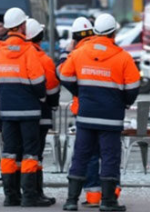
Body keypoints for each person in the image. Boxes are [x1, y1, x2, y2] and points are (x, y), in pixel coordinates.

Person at [60, 14, 140, 212]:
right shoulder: (123, 57)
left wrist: (80, 91)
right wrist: (123, 101)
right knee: (110, 157)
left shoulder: (80, 53)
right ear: (114, 32)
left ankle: (71, 201)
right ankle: (108, 201)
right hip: (111, 118)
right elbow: (132, 88)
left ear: (95, 31)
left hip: (86, 115)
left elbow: (63, 74)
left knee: (81, 156)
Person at [0, 7, 52, 207]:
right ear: (21, 26)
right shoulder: (29, 51)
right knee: (30, 153)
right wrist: (41, 98)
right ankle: (29, 196)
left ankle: (10, 196)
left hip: (7, 111)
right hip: (30, 112)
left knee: (9, 153)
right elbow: (38, 82)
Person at [25, 18, 60, 205]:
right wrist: (52, 104)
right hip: (41, 113)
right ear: (40, 36)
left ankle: (19, 192)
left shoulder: (17, 55)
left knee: (20, 153)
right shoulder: (43, 60)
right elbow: (52, 87)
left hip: (17, 113)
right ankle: (35, 192)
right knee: (35, 155)